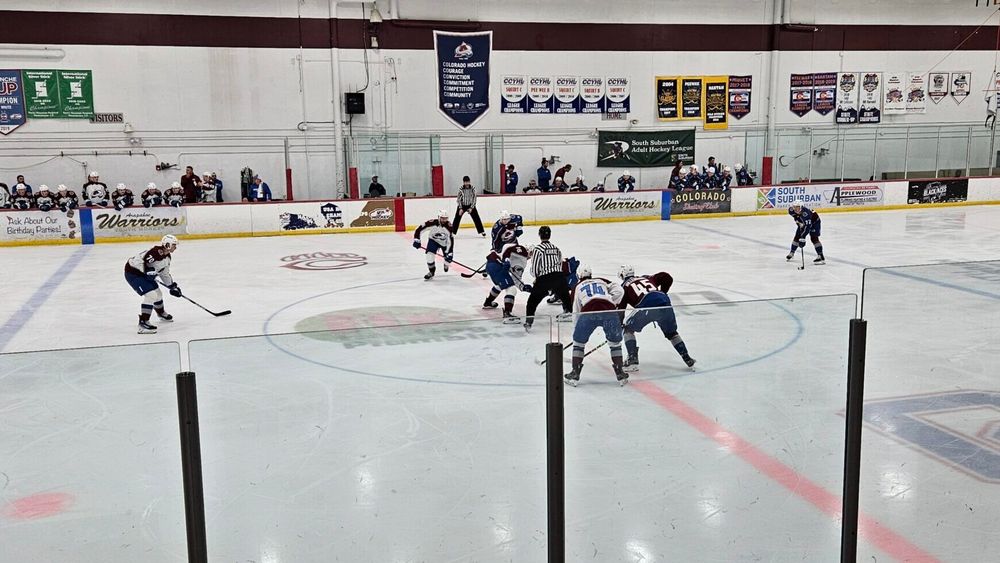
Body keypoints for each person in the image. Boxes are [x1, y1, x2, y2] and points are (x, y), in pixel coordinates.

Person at [618, 264, 696, 372]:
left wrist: (620, 324)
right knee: (672, 333)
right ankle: (687, 358)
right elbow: (666, 277)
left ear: (622, 275)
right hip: (664, 302)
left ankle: (632, 360)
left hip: (646, 305)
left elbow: (620, 309)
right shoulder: (646, 277)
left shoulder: (623, 287)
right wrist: (663, 292)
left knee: (628, 329)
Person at [564, 265, 628, 386]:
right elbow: (620, 290)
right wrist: (611, 301)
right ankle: (620, 373)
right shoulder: (601, 280)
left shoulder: (577, 287)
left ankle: (575, 374)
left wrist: (577, 332)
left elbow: (576, 309)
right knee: (615, 343)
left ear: (579, 275)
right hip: (608, 310)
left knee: (579, 343)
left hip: (589, 310)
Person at [124, 234, 181, 334]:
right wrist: (147, 271)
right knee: (151, 295)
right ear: (167, 245)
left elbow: (164, 273)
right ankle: (143, 323)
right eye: (174, 245)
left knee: (158, 294)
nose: (175, 247)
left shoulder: (167, 257)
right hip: (133, 273)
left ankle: (161, 314)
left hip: (144, 275)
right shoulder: (154, 253)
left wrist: (172, 286)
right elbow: (139, 262)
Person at [524, 226, 572, 330]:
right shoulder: (556, 248)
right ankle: (577, 317)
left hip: (545, 278)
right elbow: (560, 264)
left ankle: (529, 322)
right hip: (559, 277)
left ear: (539, 235)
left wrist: (537, 278)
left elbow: (535, 267)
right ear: (549, 235)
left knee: (532, 302)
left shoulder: (538, 249)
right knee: (567, 300)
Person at [482, 242, 532, 323]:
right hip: (498, 267)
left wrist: (504, 259)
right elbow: (516, 280)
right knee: (512, 290)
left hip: (490, 264)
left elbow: (503, 250)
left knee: (500, 284)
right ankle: (507, 314)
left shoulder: (512, 246)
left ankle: (488, 302)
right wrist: (523, 287)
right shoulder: (523, 260)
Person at [413, 209, 454, 280]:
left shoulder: (449, 227)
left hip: (445, 243)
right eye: (442, 218)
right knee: (429, 256)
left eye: (446, 218)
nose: (444, 220)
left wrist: (449, 253)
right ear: (438, 217)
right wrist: (417, 239)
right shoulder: (432, 223)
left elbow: (450, 241)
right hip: (433, 240)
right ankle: (431, 272)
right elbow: (419, 229)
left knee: (447, 260)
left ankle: (446, 263)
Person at [787, 200, 826, 265]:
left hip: (814, 223)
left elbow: (808, 227)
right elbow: (795, 216)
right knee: (797, 236)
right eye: (794, 207)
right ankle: (792, 252)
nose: (796, 209)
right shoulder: (791, 210)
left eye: (798, 207)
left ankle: (821, 256)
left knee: (814, 238)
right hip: (803, 222)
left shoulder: (806, 214)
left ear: (801, 207)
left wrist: (803, 237)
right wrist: (799, 223)